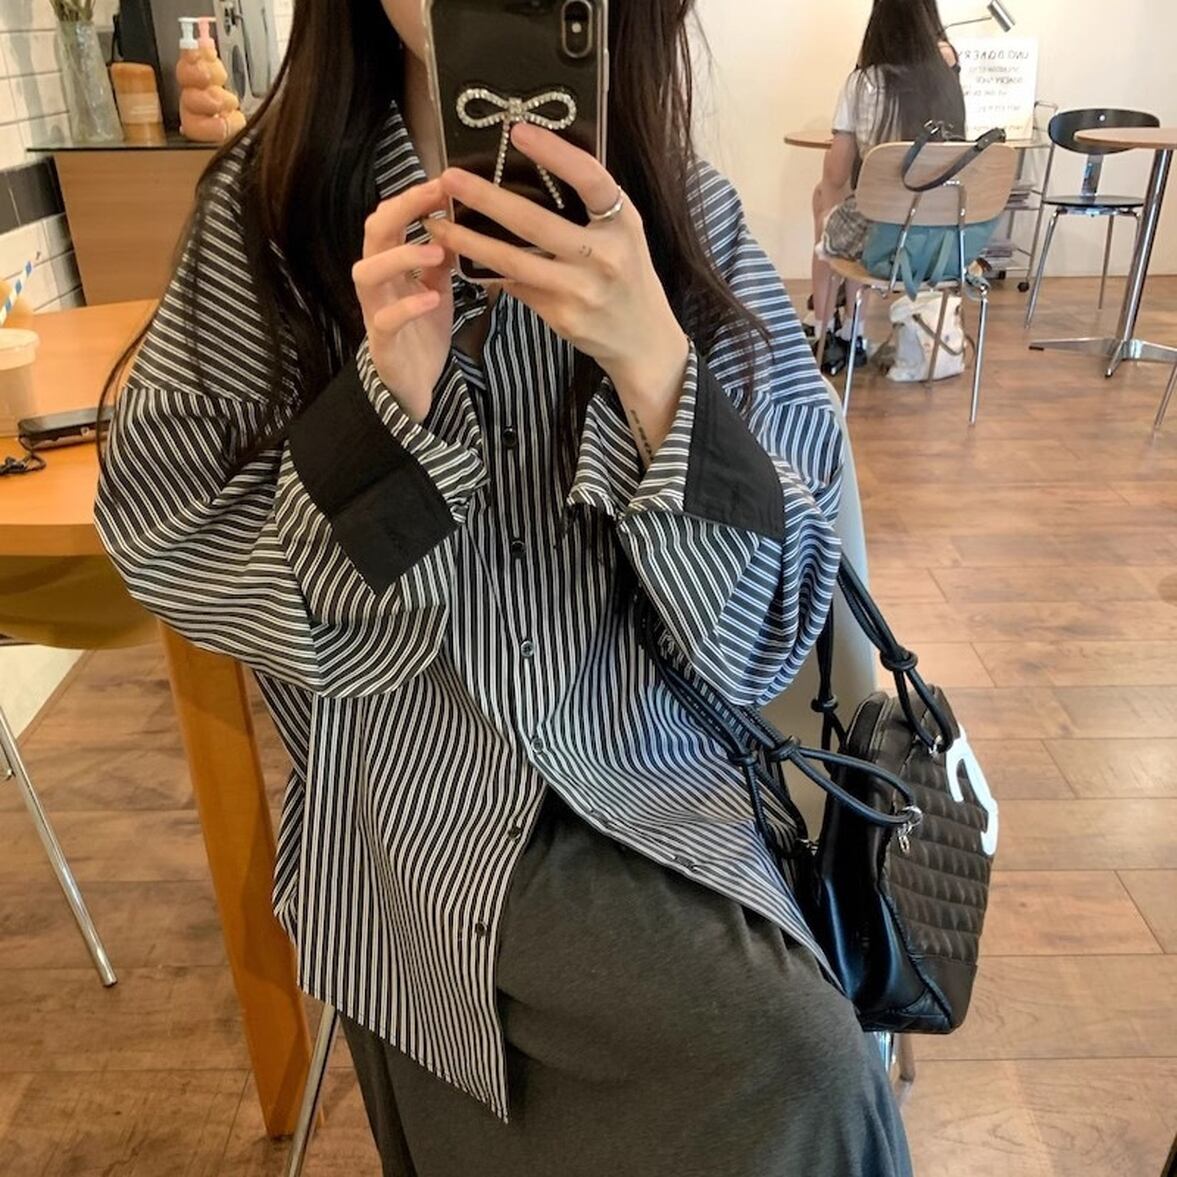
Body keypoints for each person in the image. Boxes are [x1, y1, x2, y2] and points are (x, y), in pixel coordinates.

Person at [94, 0, 912, 1173]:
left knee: (797, 1073)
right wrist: (380, 417)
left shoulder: (683, 213)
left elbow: (768, 629)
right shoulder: (270, 214)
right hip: (414, 818)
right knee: (790, 1071)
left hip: (665, 779)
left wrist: (655, 368)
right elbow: (167, 530)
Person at [810, 0, 967, 367]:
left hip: (883, 244)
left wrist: (828, 217)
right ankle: (851, 329)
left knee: (829, 206)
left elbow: (835, 175)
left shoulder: (863, 83)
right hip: (945, 247)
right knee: (861, 210)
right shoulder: (948, 77)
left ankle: (830, 330)